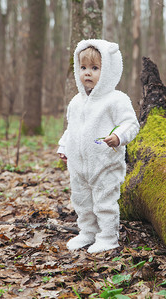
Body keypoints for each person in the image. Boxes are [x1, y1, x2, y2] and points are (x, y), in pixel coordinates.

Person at [57, 39, 139, 253]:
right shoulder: (76, 102)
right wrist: (64, 147)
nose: (88, 73)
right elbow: (72, 128)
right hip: (79, 166)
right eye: (83, 68)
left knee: (105, 202)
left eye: (95, 68)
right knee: (82, 201)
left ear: (109, 70)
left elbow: (131, 124)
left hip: (104, 162)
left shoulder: (116, 99)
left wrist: (118, 136)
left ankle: (108, 237)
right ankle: (87, 233)